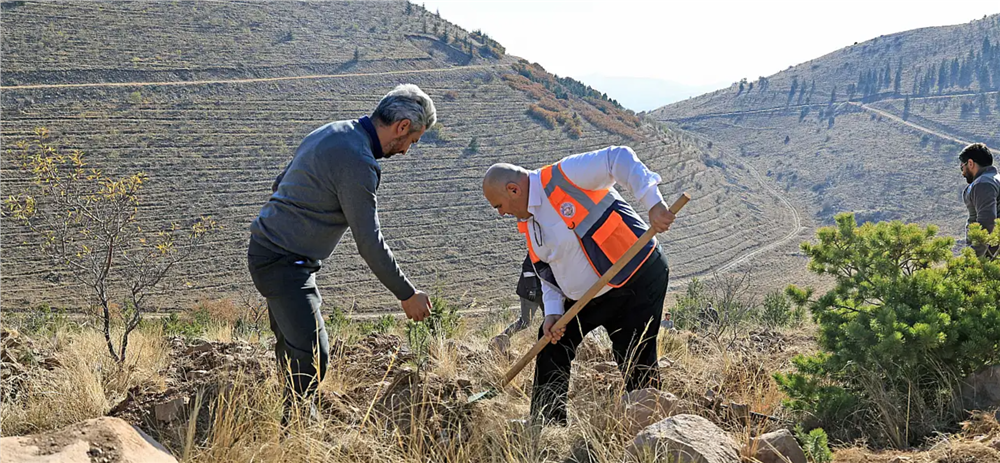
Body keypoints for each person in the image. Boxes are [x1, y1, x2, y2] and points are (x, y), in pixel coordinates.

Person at [247, 84, 436, 421]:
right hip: (283, 262)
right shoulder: (359, 161)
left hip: (275, 254)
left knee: (295, 349)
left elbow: (281, 182)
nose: (407, 150)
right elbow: (369, 241)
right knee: (313, 356)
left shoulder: (333, 131)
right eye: (412, 141)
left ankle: (294, 423)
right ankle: (298, 433)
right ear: (402, 127)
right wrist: (407, 294)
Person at [482, 145, 675, 426]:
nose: (500, 214)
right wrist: (552, 314)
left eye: (498, 206)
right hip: (590, 296)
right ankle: (548, 423)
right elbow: (547, 272)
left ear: (513, 190)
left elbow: (618, 157)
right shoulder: (529, 223)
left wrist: (653, 202)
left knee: (634, 357)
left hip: (636, 276)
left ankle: (652, 430)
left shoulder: (563, 176)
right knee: (551, 342)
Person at [959, 143, 999, 259]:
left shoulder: (983, 183)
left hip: (992, 257)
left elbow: (987, 222)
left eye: (962, 167)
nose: (963, 173)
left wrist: (972, 259)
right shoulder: (995, 180)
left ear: (970, 163)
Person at [502, 254, 542, 336]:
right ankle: (500, 340)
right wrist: (532, 289)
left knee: (551, 320)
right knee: (525, 322)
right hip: (530, 294)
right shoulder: (538, 247)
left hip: (544, 293)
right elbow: (527, 268)